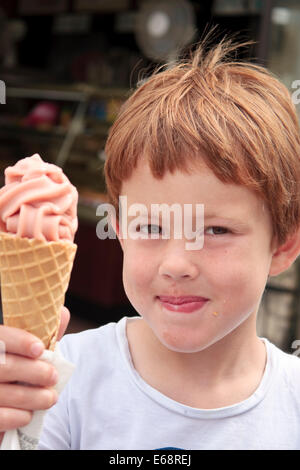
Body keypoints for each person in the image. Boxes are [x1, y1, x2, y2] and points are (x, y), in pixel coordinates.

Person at [1, 33, 300, 450]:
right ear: (121, 232)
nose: (176, 264)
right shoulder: (60, 379)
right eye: (151, 228)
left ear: (283, 244)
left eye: (215, 230)